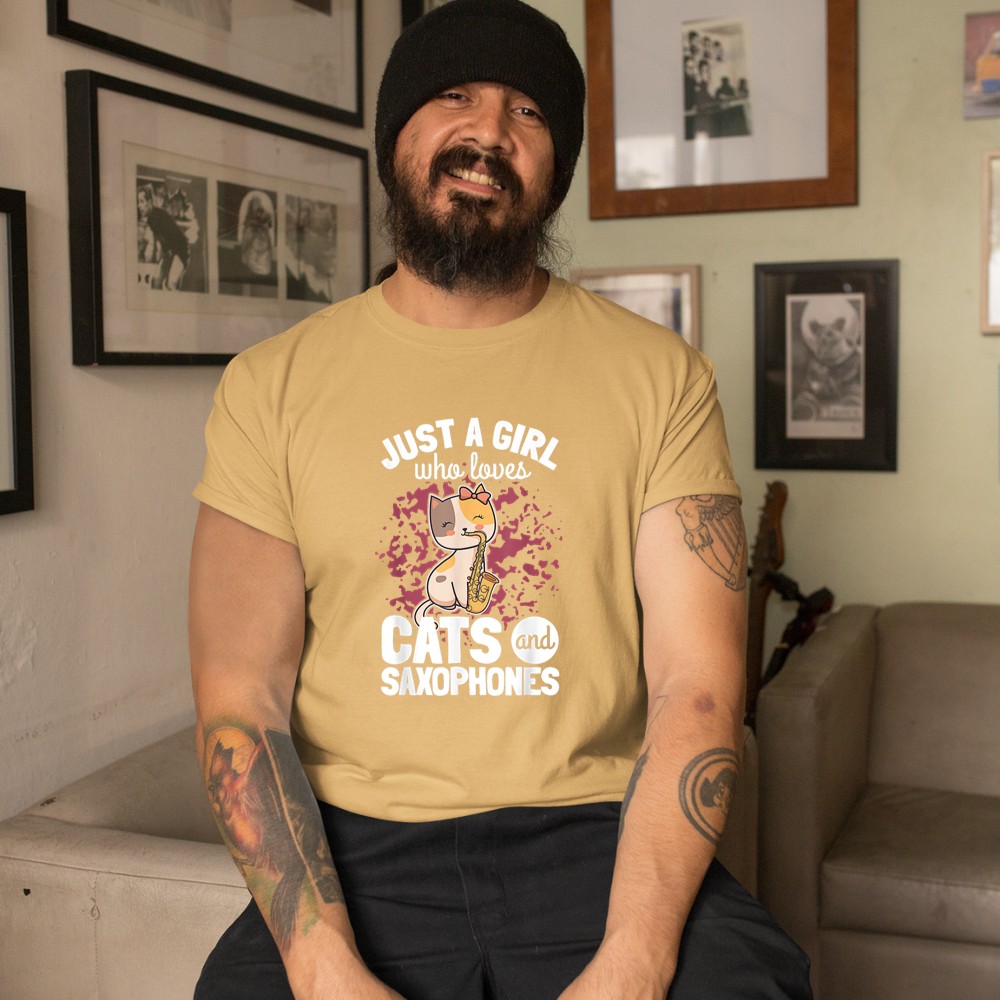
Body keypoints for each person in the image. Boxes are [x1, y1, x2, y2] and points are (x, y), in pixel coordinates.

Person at [188, 2, 812, 999]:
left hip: (594, 831)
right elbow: (240, 697)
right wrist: (321, 965)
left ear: (554, 169)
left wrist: (636, 960)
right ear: (395, 137)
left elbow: (696, 684)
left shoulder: (662, 377)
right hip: (358, 845)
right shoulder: (271, 386)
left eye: (527, 111)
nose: (488, 132)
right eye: (453, 97)